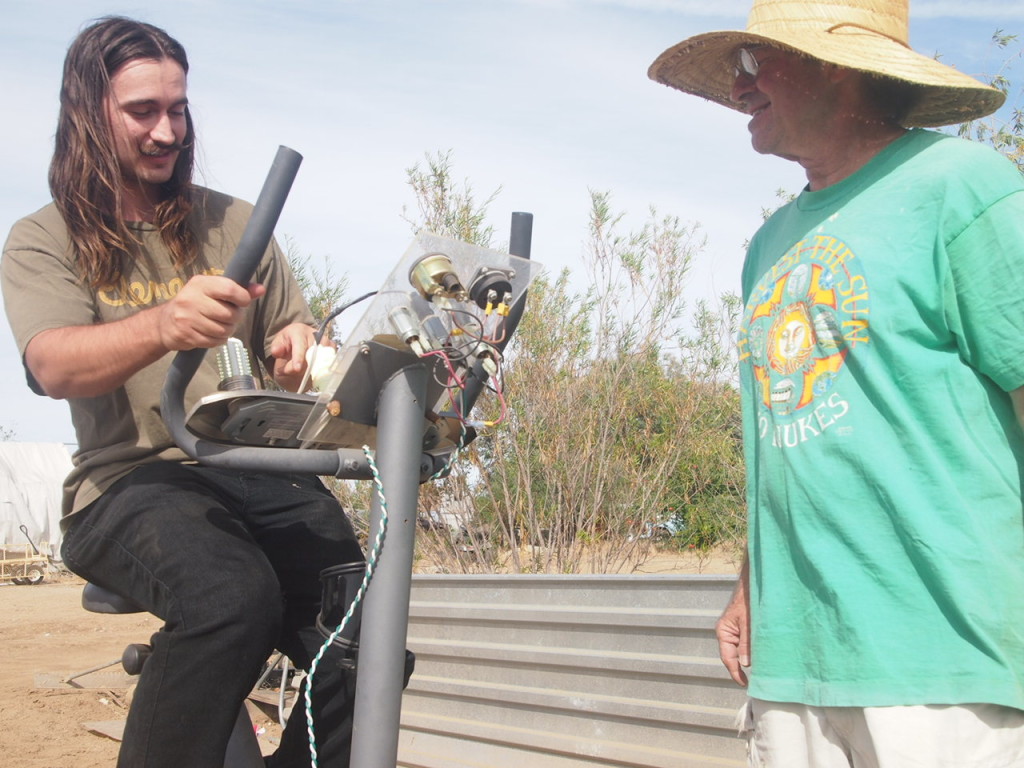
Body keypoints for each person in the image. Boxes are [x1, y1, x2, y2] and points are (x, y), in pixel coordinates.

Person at [648, 1, 1024, 765]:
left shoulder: (964, 186)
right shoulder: (768, 245)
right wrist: (752, 587)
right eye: (734, 67)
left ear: (842, 67)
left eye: (755, 61)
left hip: (942, 657)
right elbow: (780, 439)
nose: (738, 84)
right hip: (796, 662)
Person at [2, 17, 367, 767]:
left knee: (367, 629)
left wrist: (302, 358)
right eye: (143, 111)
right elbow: (54, 366)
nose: (167, 130)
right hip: (128, 484)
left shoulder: (237, 222)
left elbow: (298, 342)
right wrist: (165, 324)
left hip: (258, 473)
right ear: (87, 115)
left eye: (178, 108)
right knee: (230, 601)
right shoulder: (44, 237)